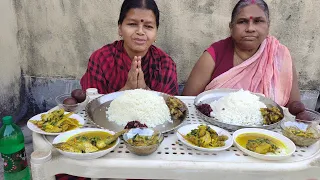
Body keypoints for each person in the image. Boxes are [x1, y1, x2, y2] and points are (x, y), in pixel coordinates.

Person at [182, 0, 300, 106]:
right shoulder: (213, 56)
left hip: (269, 129)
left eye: (258, 21)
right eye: (242, 21)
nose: (250, 28)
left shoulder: (280, 56)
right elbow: (186, 103)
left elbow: (294, 107)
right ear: (231, 27)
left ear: (268, 26)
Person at [80, 0, 178, 95]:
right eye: (132, 24)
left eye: (148, 26)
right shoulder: (102, 59)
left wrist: (144, 90)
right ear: (120, 29)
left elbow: (171, 107)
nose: (140, 31)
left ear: (156, 32)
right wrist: (126, 90)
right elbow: (93, 105)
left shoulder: (165, 65)